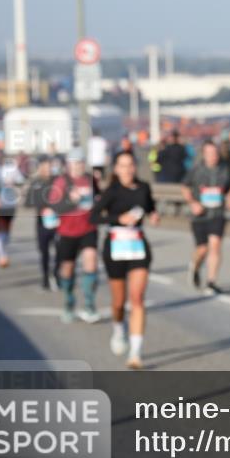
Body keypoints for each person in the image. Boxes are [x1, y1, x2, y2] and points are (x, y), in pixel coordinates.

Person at [90, 151, 159, 369]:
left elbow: (150, 207)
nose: (127, 170)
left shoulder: (143, 188)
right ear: (116, 169)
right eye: (122, 166)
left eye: (130, 165)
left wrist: (154, 215)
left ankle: (136, 353)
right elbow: (93, 217)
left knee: (137, 299)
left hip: (138, 247)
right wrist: (118, 219)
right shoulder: (111, 192)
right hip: (115, 248)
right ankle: (119, 328)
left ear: (135, 167)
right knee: (119, 302)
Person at [49, 149, 101, 323]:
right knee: (67, 269)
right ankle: (69, 301)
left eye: (80, 162)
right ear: (68, 164)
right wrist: (71, 200)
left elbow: (98, 198)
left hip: (88, 228)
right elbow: (54, 207)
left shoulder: (90, 179)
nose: (77, 166)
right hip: (67, 231)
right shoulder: (61, 182)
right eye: (74, 163)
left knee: (91, 262)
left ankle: (89, 303)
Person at [182, 140, 230, 294]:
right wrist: (193, 203)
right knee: (202, 249)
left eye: (215, 153)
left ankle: (211, 282)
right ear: (204, 154)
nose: (213, 156)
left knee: (216, 244)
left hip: (217, 213)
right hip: (200, 214)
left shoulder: (225, 169)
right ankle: (195, 266)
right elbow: (185, 187)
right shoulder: (196, 169)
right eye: (209, 153)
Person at [24, 157, 59, 291]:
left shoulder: (58, 181)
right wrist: (41, 205)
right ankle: (45, 277)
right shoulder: (36, 183)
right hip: (42, 221)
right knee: (44, 251)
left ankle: (56, 274)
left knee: (59, 250)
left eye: (49, 167)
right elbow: (28, 202)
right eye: (44, 167)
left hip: (57, 222)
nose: (47, 170)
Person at [0, 154, 24, 268]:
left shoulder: (12, 169)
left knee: (7, 229)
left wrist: (13, 183)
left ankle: (2, 249)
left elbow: (21, 180)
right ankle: (1, 255)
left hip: (10, 203)